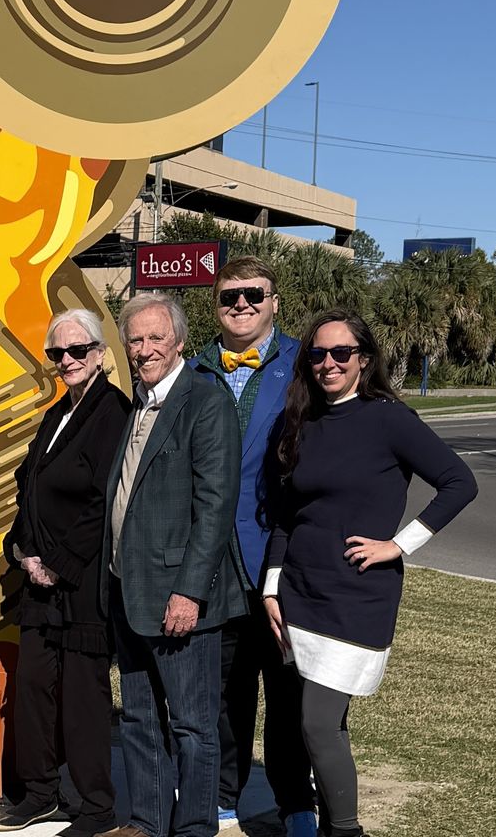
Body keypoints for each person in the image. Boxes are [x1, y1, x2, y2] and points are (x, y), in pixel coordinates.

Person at [262, 311, 478, 837]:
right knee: (314, 722)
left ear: (363, 359)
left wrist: (398, 545)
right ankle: (322, 818)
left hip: (355, 597)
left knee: (318, 722)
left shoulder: (388, 418)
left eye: (341, 353)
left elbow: (459, 482)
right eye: (317, 354)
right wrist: (270, 585)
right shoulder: (302, 420)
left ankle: (346, 829)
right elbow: (288, 513)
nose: (328, 363)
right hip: (297, 590)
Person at [101, 293, 248, 837]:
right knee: (139, 719)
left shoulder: (204, 402)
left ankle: (193, 829)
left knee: (191, 726)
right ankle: (146, 822)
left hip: (178, 601)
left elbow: (214, 508)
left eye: (155, 338)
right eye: (135, 340)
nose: (144, 350)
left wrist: (190, 593)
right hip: (130, 593)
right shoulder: (137, 404)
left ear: (180, 341)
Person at [191, 258, 316, 837]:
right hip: (214, 562)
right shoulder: (194, 370)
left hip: (281, 556)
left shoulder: (306, 364)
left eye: (253, 295)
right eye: (229, 297)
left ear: (274, 302)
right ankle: (222, 798)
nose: (241, 305)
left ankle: (296, 802)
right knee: (224, 693)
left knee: (288, 691)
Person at [0, 309, 131, 837]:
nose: (67, 361)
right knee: (32, 689)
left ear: (100, 354)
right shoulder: (57, 413)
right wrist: (22, 550)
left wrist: (60, 563)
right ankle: (41, 793)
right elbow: (30, 487)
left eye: (78, 351)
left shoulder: (113, 411)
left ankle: (97, 808)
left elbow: (105, 499)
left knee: (83, 699)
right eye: (57, 354)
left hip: (82, 582)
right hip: (38, 579)